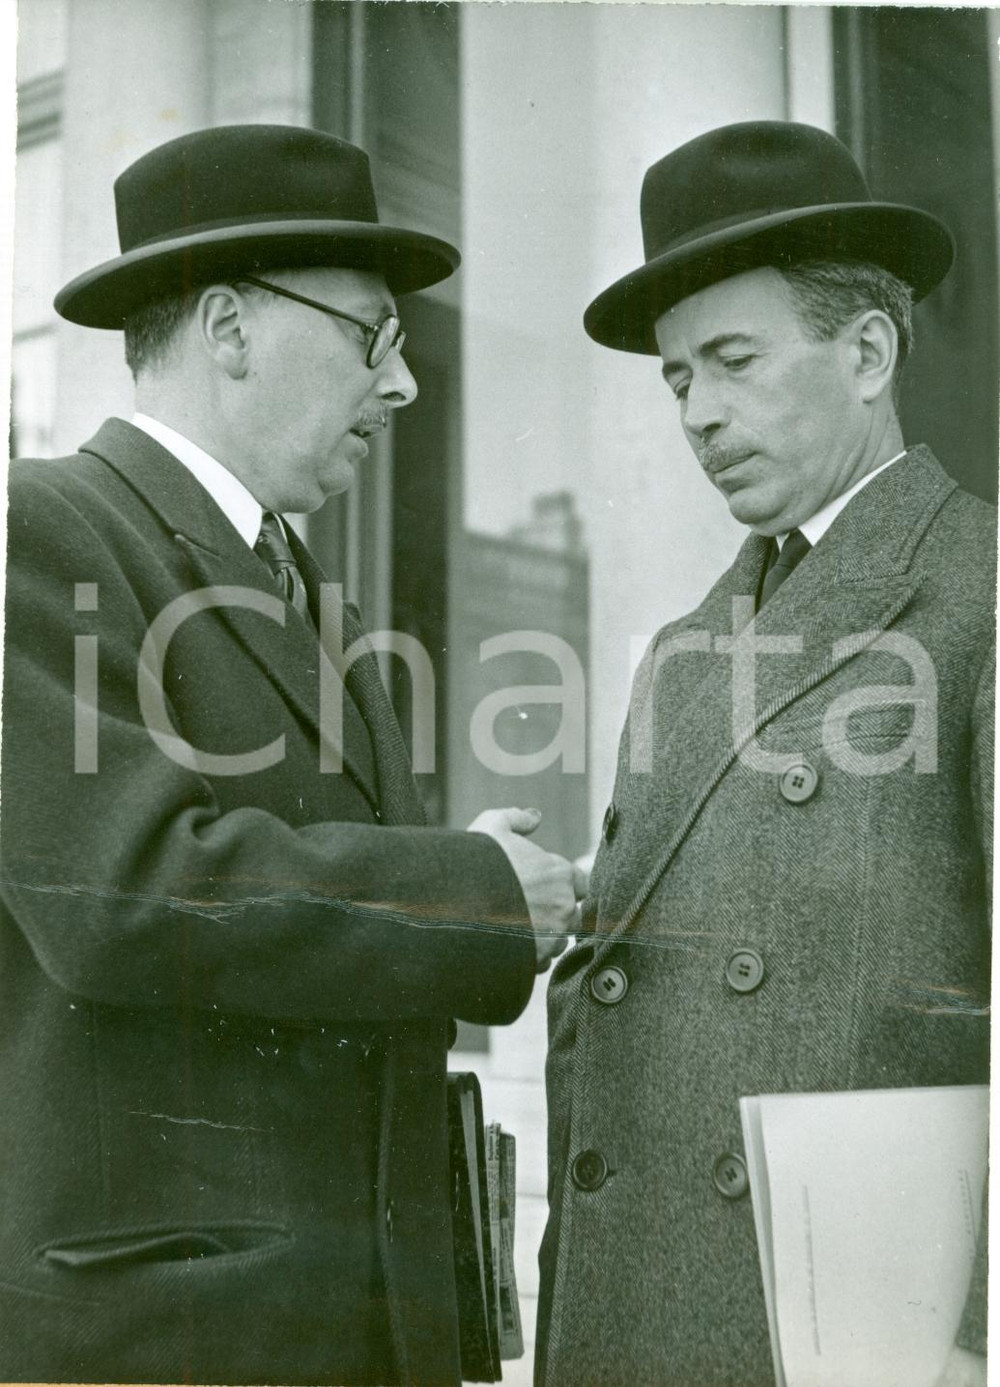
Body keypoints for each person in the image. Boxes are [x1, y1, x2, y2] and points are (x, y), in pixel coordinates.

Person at [0, 123, 582, 1386]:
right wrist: (468, 892)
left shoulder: (313, 597)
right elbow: (131, 891)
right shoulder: (34, 531)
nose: (403, 384)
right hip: (157, 1346)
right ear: (229, 328)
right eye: (372, 334)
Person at [537, 122, 992, 1387]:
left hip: (858, 1333)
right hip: (637, 1313)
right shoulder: (684, 645)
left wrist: (982, 1336)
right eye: (676, 377)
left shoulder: (976, 591)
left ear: (865, 349)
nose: (697, 413)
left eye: (731, 360)